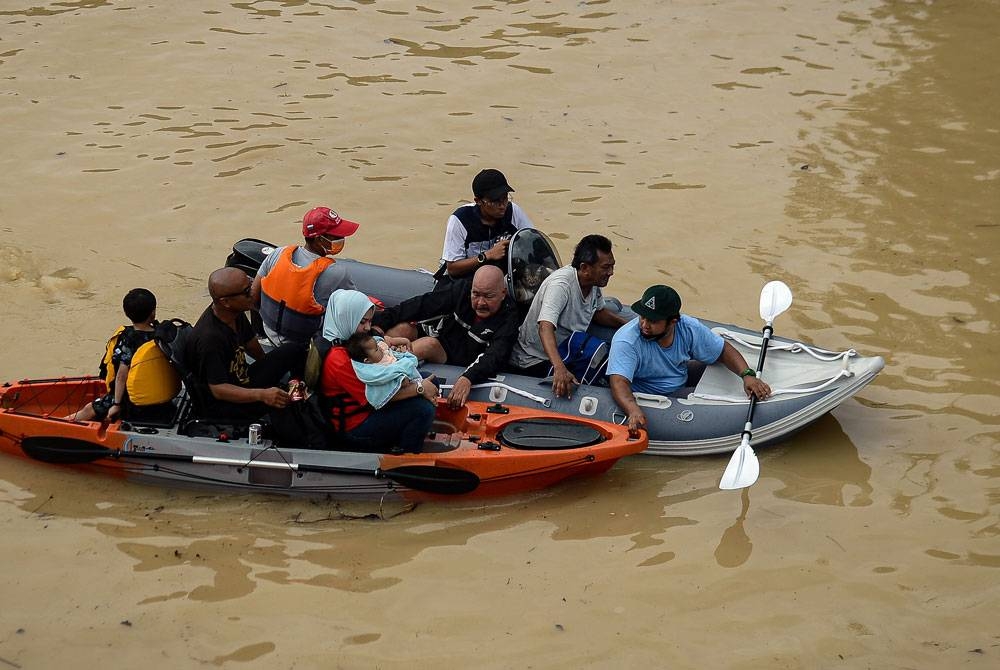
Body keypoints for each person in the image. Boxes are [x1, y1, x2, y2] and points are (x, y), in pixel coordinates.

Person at [608, 285, 772, 432]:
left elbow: (723, 350)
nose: (644, 324)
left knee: (719, 367)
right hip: (661, 394)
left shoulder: (687, 327)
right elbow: (619, 382)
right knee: (716, 399)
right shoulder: (627, 340)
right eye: (642, 317)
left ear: (673, 322)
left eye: (652, 320)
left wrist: (747, 375)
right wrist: (633, 410)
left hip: (680, 374)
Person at [372, 265, 519, 408]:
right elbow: (422, 305)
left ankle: (382, 373)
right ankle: (370, 354)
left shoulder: (509, 318)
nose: (481, 303)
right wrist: (380, 323)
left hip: (458, 360)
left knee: (428, 345)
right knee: (403, 328)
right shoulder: (463, 290)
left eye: (488, 296)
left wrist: (468, 378)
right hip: (444, 337)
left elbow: (495, 355)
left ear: (503, 293)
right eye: (476, 294)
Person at [318, 290, 439, 454]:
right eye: (363, 322)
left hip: (373, 406)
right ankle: (406, 455)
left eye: (369, 321)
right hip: (357, 426)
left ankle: (409, 431)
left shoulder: (351, 341)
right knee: (423, 409)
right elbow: (377, 397)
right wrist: (419, 388)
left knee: (430, 381)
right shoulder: (339, 360)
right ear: (347, 319)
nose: (368, 327)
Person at [509, 234, 629, 398]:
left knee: (610, 353)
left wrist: (629, 326)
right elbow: (545, 327)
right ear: (585, 268)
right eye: (606, 267)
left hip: (569, 345)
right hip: (535, 358)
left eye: (612, 266)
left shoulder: (593, 283)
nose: (611, 272)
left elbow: (598, 312)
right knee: (599, 356)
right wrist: (559, 368)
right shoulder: (561, 286)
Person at [186, 267, 305, 421]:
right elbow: (219, 390)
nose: (253, 292)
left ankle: (299, 388)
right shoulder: (210, 339)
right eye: (247, 291)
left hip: (243, 379)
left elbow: (252, 346)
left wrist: (271, 371)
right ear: (226, 302)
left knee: (293, 349)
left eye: (251, 283)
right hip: (224, 403)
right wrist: (263, 394)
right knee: (284, 403)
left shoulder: (234, 314)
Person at [251, 205, 360, 345]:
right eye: (336, 236)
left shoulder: (278, 253)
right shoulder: (336, 272)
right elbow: (356, 311)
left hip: (269, 333)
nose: (342, 238)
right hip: (303, 345)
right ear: (319, 239)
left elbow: (253, 295)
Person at [67, 288, 158, 422]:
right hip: (151, 394)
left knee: (89, 409)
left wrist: (116, 404)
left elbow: (121, 376)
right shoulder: (159, 334)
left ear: (127, 314)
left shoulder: (128, 340)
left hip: (129, 400)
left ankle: (51, 427)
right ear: (153, 313)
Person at [439, 169, 534, 280]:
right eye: (495, 201)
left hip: (502, 276)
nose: (502, 206)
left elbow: (532, 241)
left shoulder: (513, 212)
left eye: (505, 198)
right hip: (468, 278)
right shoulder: (460, 220)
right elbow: (453, 268)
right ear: (478, 201)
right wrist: (487, 255)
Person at [345, 332, 426, 411]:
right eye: (376, 349)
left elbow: (390, 349)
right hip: (394, 400)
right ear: (367, 360)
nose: (380, 348)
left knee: (432, 382)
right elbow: (392, 378)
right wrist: (401, 378)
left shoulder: (378, 352)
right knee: (424, 407)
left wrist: (401, 354)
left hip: (413, 380)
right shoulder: (374, 371)